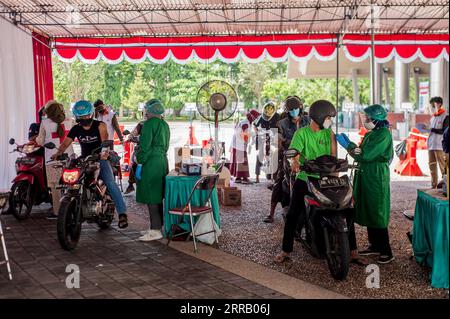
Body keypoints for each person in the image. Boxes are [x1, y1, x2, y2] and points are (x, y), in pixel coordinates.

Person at [275, 100, 338, 262]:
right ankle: (285, 250)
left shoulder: (329, 133)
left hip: (325, 179)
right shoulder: (301, 133)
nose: (330, 121)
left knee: (343, 208)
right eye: (328, 118)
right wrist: (295, 162)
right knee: (293, 214)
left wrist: (335, 176)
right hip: (305, 178)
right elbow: (294, 153)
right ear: (319, 117)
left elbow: (333, 157)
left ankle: (352, 251)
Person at [51, 100, 128, 229]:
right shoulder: (76, 128)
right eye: (81, 117)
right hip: (84, 158)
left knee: (110, 182)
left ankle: (122, 214)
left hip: (100, 158)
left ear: (91, 114)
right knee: (72, 179)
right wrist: (58, 153)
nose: (84, 119)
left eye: (86, 116)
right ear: (77, 117)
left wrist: (104, 153)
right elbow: (66, 143)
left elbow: (105, 141)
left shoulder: (100, 125)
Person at [336, 104, 395, 264]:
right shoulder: (373, 133)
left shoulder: (383, 135)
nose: (366, 120)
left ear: (377, 120)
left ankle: (386, 251)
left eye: (369, 118)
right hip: (366, 174)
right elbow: (362, 153)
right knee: (369, 208)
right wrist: (351, 146)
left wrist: (348, 145)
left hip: (375, 175)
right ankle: (374, 245)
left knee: (377, 211)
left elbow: (366, 155)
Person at [264, 96, 308, 223]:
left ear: (300, 108)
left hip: (308, 158)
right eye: (291, 109)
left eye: (296, 109)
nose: (293, 111)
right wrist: (279, 142)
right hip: (288, 157)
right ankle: (271, 213)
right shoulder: (281, 123)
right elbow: (276, 140)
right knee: (279, 182)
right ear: (287, 111)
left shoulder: (308, 120)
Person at [136, 99, 170, 241]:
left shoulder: (149, 124)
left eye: (146, 110)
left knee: (151, 195)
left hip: (151, 162)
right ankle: (156, 226)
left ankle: (156, 230)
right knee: (157, 194)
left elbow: (145, 145)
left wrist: (140, 160)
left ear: (150, 111)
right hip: (162, 161)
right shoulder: (164, 124)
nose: (145, 112)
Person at [36, 100, 74, 218]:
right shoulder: (70, 121)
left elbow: (40, 141)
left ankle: (57, 212)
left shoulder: (45, 122)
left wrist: (38, 140)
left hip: (52, 159)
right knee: (71, 184)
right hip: (69, 158)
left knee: (55, 186)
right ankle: (72, 209)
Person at [229, 109, 261, 184]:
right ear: (252, 117)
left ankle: (238, 177)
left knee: (239, 161)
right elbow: (245, 136)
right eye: (255, 117)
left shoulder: (246, 122)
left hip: (237, 144)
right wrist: (254, 134)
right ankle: (244, 178)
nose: (256, 119)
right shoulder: (245, 124)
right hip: (239, 145)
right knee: (242, 161)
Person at [254, 101, 280, 183]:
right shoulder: (260, 117)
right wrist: (258, 132)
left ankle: (274, 177)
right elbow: (255, 126)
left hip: (274, 139)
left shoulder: (278, 117)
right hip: (264, 138)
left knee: (276, 156)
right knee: (260, 155)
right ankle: (257, 176)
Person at [427, 97, 449, 188]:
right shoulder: (433, 117)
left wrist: (434, 130)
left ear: (439, 104)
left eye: (433, 104)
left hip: (439, 145)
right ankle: (434, 185)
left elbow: (446, 130)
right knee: (432, 165)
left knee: (442, 166)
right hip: (431, 145)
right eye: (431, 104)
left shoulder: (445, 116)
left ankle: (445, 185)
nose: (432, 106)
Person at [124, 121, 144, 194]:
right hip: (141, 150)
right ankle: (131, 184)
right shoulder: (142, 124)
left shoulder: (161, 124)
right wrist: (130, 137)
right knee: (133, 163)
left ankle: (131, 184)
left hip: (149, 151)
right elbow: (133, 133)